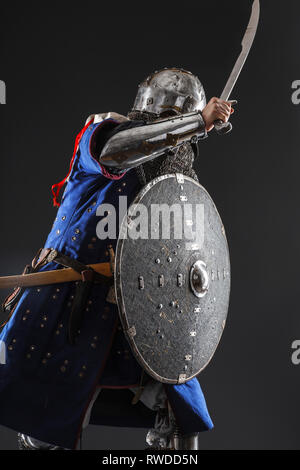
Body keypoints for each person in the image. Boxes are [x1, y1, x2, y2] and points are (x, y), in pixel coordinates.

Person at [0, 68, 234, 450]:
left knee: (181, 419)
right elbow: (118, 153)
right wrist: (198, 122)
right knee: (49, 424)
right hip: (73, 302)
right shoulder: (104, 136)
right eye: (176, 125)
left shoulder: (170, 174)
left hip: (140, 311)